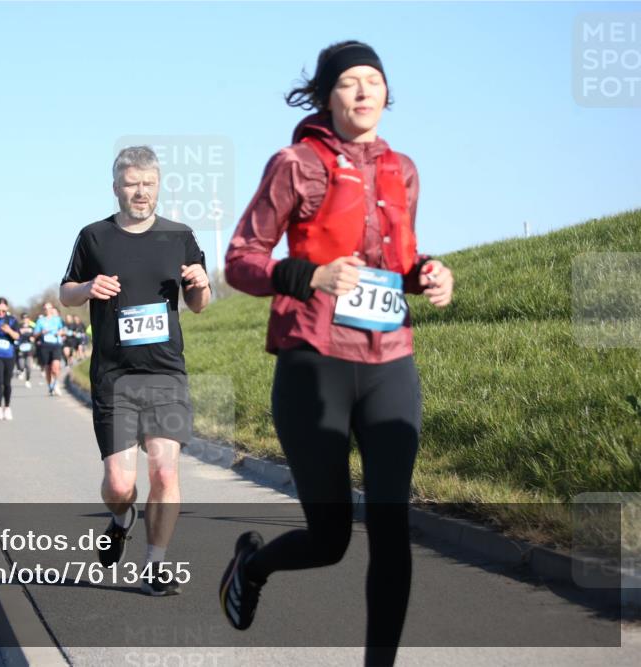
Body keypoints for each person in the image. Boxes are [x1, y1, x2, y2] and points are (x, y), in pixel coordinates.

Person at [219, 41, 454, 666]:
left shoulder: (402, 169)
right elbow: (241, 260)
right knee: (330, 539)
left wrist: (428, 273)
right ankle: (253, 565)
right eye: (348, 82)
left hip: (390, 363)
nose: (363, 91)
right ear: (326, 94)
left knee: (391, 526)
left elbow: (398, 261)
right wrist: (308, 276)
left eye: (373, 81)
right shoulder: (295, 164)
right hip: (314, 362)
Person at [60, 145, 211, 596]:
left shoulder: (180, 235)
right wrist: (87, 287)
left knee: (165, 474)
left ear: (158, 184)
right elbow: (66, 293)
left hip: (166, 374)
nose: (140, 192)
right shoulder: (93, 237)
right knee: (119, 483)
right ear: (116, 188)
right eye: (131, 184)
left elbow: (199, 304)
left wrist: (202, 285)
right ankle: (120, 518)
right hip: (114, 377)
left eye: (148, 183)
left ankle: (155, 565)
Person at [33, 302, 65, 396]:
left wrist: (60, 333)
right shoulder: (40, 321)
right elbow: (35, 334)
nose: (47, 310)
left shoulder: (58, 319)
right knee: (48, 368)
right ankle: (50, 386)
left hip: (56, 345)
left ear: (52, 309)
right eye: (45, 309)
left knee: (55, 367)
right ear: (44, 310)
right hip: (45, 346)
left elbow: (63, 330)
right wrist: (41, 332)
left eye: (49, 308)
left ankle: (56, 384)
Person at [16, 312, 36, 388]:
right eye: (23, 318)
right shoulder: (18, 326)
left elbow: (35, 335)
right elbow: (16, 335)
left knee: (29, 366)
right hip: (21, 347)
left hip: (29, 347)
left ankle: (27, 380)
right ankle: (21, 371)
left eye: (26, 318)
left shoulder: (32, 326)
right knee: (21, 364)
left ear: (29, 319)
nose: (25, 320)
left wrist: (33, 338)